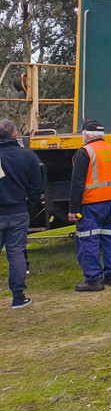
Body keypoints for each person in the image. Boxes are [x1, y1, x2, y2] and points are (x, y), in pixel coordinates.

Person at [67, 119, 111, 291]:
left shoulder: (84, 152)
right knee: (110, 237)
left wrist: (73, 210)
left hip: (92, 203)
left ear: (86, 135)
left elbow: (77, 183)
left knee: (87, 239)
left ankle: (94, 280)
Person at [0, 118, 42, 309]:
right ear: (15, 134)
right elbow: (36, 188)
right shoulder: (27, 156)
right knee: (16, 253)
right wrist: (30, 206)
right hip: (17, 210)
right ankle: (18, 297)